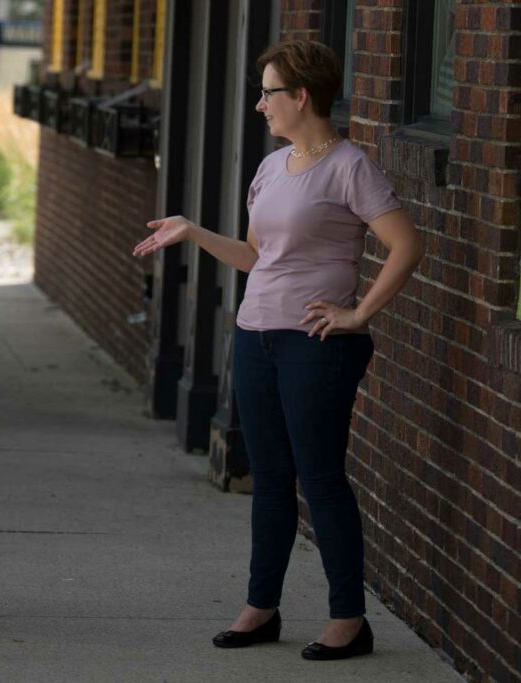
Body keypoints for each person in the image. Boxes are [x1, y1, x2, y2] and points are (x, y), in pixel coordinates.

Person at [133, 40, 424, 661]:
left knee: (320, 481)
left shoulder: (350, 166)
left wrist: (358, 313)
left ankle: (349, 618)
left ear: (302, 96)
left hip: (316, 346)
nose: (260, 104)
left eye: (269, 93)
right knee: (269, 480)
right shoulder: (272, 167)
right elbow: (255, 258)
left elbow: (405, 245)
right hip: (256, 334)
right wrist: (191, 230)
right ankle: (261, 607)